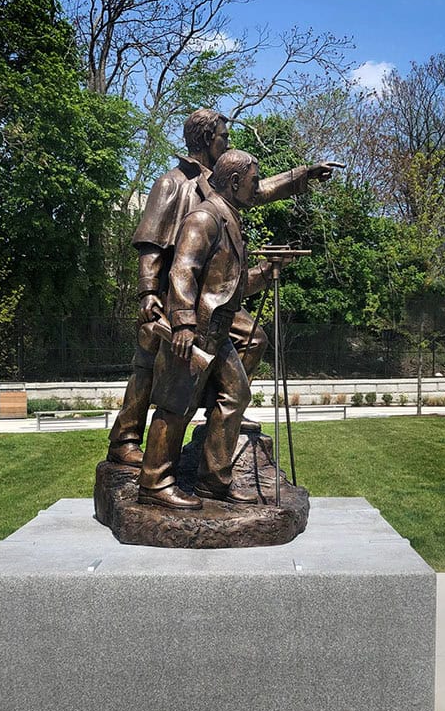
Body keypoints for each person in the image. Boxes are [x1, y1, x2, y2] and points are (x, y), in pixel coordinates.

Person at [108, 108, 340, 467]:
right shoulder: (172, 183)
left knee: (253, 338)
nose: (227, 143)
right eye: (223, 137)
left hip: (212, 299)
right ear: (206, 139)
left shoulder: (216, 182)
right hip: (175, 294)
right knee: (149, 365)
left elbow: (256, 189)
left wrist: (301, 175)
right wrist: (149, 292)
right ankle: (125, 440)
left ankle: (221, 412)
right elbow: (151, 243)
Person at [138, 150, 275, 510]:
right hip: (196, 330)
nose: (257, 187)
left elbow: (229, 287)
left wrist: (268, 271)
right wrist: (183, 322)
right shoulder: (204, 217)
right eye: (254, 181)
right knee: (175, 405)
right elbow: (182, 271)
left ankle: (214, 482)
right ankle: (154, 483)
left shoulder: (229, 219)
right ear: (235, 182)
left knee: (236, 395)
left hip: (218, 330)